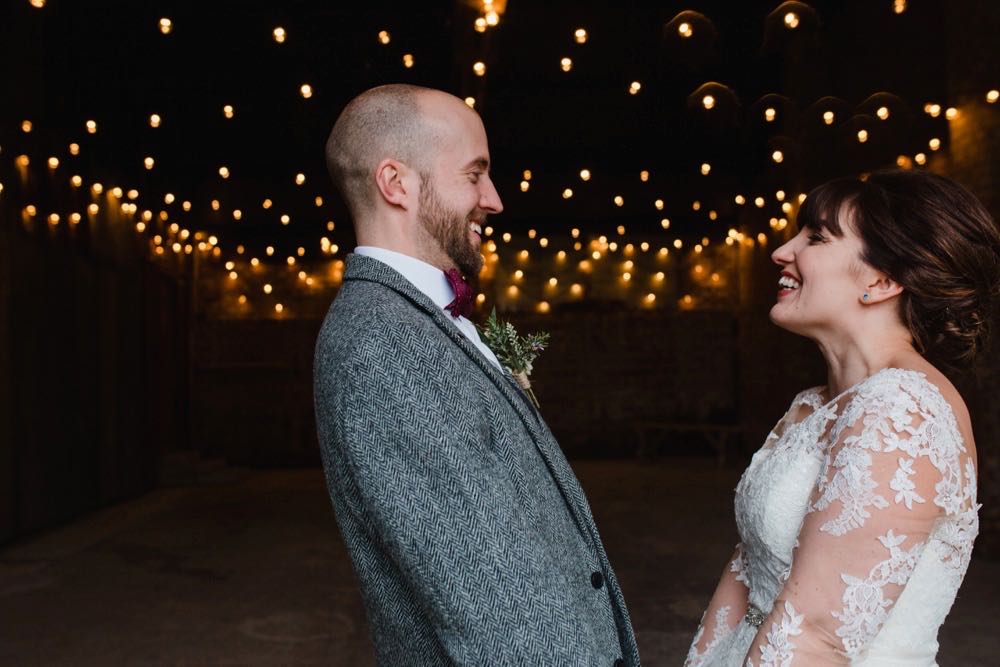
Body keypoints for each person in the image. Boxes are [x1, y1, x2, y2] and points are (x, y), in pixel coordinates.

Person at [313, 84, 639, 666]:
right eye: (474, 174)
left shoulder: (416, 320)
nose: (493, 198)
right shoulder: (387, 343)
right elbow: (494, 598)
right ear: (397, 184)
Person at [685, 169, 999, 666]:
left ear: (882, 279)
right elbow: (746, 571)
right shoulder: (813, 405)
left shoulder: (902, 411)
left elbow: (817, 637)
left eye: (815, 237)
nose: (781, 251)